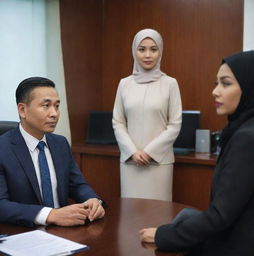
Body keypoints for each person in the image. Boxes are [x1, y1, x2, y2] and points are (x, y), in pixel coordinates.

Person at [139, 50, 254, 255]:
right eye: (216, 83)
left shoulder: (247, 139)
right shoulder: (245, 129)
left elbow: (220, 216)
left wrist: (162, 235)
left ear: (249, 87)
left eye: (226, 83)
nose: (215, 91)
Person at [0, 77, 105, 227]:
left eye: (56, 106)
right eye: (46, 105)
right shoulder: (3, 148)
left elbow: (77, 185)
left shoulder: (60, 143)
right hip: (22, 232)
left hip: (64, 231)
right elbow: (1, 205)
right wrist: (50, 215)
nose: (54, 113)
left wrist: (92, 200)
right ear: (22, 110)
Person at [112, 28, 182, 201]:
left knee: (159, 214)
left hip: (159, 162)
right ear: (134, 51)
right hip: (130, 162)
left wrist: (149, 152)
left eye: (153, 49)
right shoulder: (124, 84)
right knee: (130, 214)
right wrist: (132, 152)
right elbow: (118, 121)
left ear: (160, 52)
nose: (147, 55)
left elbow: (175, 124)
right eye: (142, 49)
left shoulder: (170, 84)